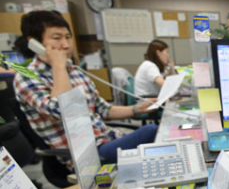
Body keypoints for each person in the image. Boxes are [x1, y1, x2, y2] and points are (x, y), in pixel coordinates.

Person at [13, 10, 158, 166]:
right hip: (86, 156)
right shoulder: (26, 78)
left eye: (68, 37)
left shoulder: (74, 71)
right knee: (151, 131)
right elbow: (64, 111)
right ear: (35, 43)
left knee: (166, 139)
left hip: (109, 138)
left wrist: (137, 109)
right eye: (57, 38)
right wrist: (58, 67)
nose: (66, 45)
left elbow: (103, 109)